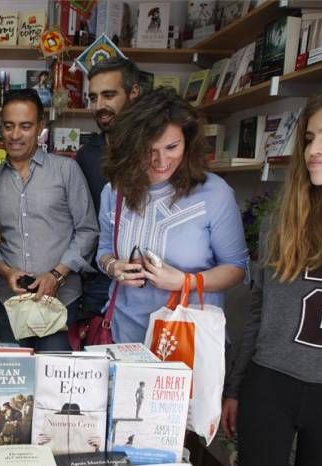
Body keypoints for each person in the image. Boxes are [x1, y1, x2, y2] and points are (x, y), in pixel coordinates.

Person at [220, 87, 322, 466]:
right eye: (309, 138)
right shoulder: (285, 220)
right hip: (271, 385)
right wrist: (236, 387)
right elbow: (260, 315)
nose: (315, 149)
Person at [96, 87, 248, 343]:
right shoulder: (115, 191)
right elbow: (103, 250)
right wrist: (113, 267)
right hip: (125, 334)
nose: (160, 160)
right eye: (148, 150)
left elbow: (236, 268)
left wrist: (184, 281)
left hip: (188, 338)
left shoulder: (215, 193)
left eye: (172, 147)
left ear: (188, 142)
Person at [0, 89, 98, 350]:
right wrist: (5, 271)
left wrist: (56, 275)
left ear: (40, 127)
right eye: (9, 126)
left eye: (25, 126)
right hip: (11, 304)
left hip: (60, 303)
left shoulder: (66, 171)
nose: (15, 135)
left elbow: (87, 230)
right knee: (15, 386)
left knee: (56, 386)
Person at [76, 57, 141, 318]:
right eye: (93, 97)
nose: (100, 106)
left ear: (133, 92)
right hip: (99, 280)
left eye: (109, 95)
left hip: (149, 279)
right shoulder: (87, 156)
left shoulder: (155, 151)